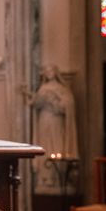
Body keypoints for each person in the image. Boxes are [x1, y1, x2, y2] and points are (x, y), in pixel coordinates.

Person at [29, 64, 79, 194]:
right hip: (44, 120)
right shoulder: (43, 88)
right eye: (46, 71)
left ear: (56, 72)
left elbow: (67, 106)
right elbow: (36, 103)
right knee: (45, 147)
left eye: (50, 70)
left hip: (56, 121)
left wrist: (55, 103)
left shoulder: (62, 89)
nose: (48, 72)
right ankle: (45, 178)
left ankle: (57, 177)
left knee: (56, 146)